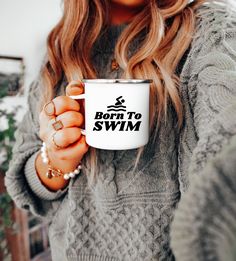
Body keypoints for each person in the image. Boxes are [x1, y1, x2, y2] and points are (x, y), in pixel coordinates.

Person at [4, 0, 236, 260]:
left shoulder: (209, 28)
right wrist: (57, 160)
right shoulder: (61, 51)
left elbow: (227, 129)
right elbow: (25, 183)